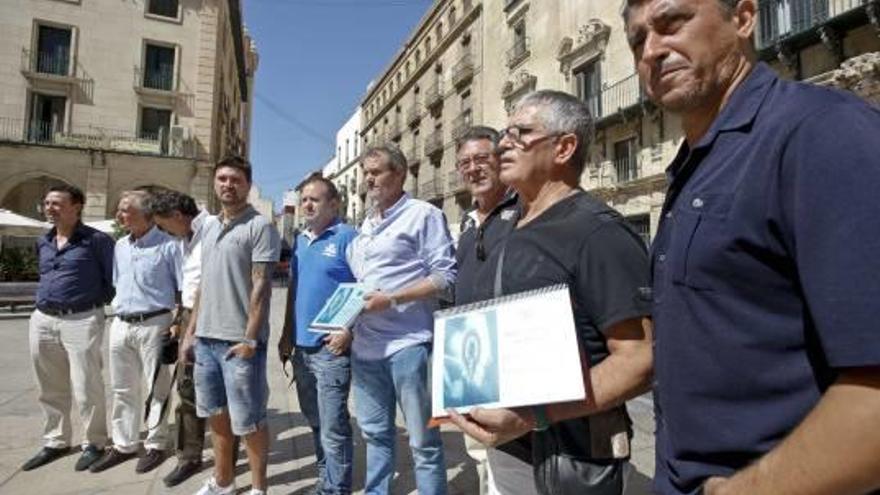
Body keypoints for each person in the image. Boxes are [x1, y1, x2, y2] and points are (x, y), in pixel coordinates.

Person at [621, 1, 880, 493]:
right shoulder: (693, 164)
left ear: (742, 19)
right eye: (637, 40)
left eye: (672, 23)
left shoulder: (821, 133)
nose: (652, 50)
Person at [447, 90, 654, 495]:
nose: (504, 143)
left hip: (573, 461)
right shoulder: (509, 227)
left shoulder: (598, 231)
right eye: (504, 133)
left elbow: (641, 359)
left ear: (564, 147)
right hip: (508, 450)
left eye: (520, 133)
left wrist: (534, 416)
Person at [347, 144, 456, 495]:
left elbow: (445, 277)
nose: (368, 179)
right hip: (365, 350)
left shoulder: (424, 215)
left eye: (376, 172)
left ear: (400, 173)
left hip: (409, 347)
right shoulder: (365, 225)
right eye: (366, 173)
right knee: (375, 435)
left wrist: (392, 298)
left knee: (424, 441)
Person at [183, 156, 281, 495]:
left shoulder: (260, 226)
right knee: (217, 416)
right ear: (215, 183)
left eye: (235, 179)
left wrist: (250, 340)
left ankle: (258, 488)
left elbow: (261, 288)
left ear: (248, 185)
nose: (228, 184)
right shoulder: (209, 227)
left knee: (250, 421)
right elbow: (203, 285)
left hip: (239, 344)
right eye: (222, 178)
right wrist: (190, 332)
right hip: (206, 341)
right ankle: (223, 481)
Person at [452, 126, 530, 495]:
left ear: (501, 160)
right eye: (465, 162)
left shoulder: (525, 212)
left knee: (511, 462)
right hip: (470, 361)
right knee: (480, 454)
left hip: (513, 363)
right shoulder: (466, 224)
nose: (474, 168)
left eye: (482, 158)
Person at [22, 185, 114, 473]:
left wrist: (95, 305)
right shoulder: (44, 241)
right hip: (43, 318)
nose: (50, 208)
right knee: (49, 385)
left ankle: (95, 443)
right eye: (47, 203)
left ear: (77, 207)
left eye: (57, 204)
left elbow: (113, 279)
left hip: (82, 318)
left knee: (87, 385)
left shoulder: (97, 241)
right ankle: (56, 441)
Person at [90, 190, 182, 474]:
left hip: (156, 323)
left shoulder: (170, 246)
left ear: (146, 214)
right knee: (122, 388)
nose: (119, 215)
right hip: (121, 323)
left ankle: (155, 444)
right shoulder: (120, 246)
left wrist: (178, 323)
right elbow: (119, 283)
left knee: (158, 388)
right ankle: (124, 444)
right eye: (120, 210)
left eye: (125, 210)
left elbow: (184, 289)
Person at [278, 174, 357, 495]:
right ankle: (326, 480)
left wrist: (348, 329)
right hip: (301, 349)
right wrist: (286, 335)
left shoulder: (348, 237)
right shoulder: (299, 241)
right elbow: (294, 291)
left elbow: (365, 286)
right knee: (315, 421)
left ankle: (335, 489)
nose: (307, 204)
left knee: (334, 426)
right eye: (304, 199)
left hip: (330, 350)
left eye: (315, 199)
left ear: (334, 203)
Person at [150, 190, 222, 487]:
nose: (164, 231)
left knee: (218, 396)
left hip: (213, 316)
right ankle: (189, 457)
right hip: (189, 314)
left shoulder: (215, 229)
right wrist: (180, 320)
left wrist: (191, 327)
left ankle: (225, 464)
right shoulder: (185, 238)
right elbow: (189, 283)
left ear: (178, 217)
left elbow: (210, 281)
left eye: (164, 225)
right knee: (187, 389)